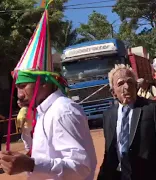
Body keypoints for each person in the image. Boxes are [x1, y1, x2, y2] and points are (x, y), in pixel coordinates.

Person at [0, 4, 97, 179]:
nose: (19, 94)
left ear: (44, 83)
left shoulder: (62, 111)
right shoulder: (42, 113)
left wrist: (30, 164)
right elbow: (44, 155)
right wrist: (27, 134)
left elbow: (81, 167)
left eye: (23, 86)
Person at [98, 64, 156, 180]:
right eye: (120, 83)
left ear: (136, 86)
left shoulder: (151, 108)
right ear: (113, 92)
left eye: (130, 82)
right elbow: (109, 152)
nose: (127, 86)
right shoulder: (108, 116)